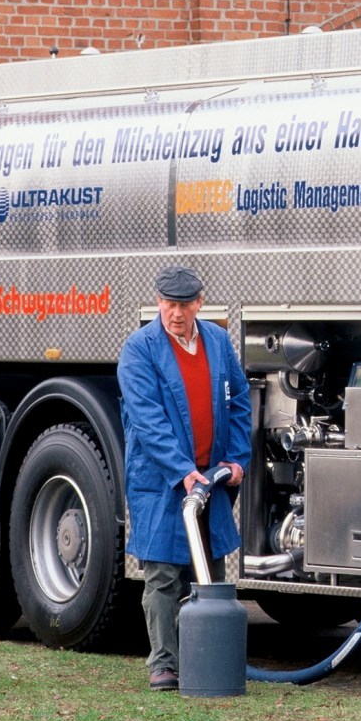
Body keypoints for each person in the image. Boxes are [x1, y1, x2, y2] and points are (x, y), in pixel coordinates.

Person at [116, 265, 252, 691]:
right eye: (168, 304)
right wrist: (182, 471)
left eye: (183, 304)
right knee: (162, 574)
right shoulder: (139, 349)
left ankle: (203, 657)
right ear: (158, 302)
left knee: (206, 571)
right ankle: (163, 663)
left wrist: (235, 460)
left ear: (199, 303)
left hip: (209, 477)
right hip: (162, 481)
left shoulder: (215, 340)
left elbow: (240, 401)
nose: (175, 313)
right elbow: (148, 420)